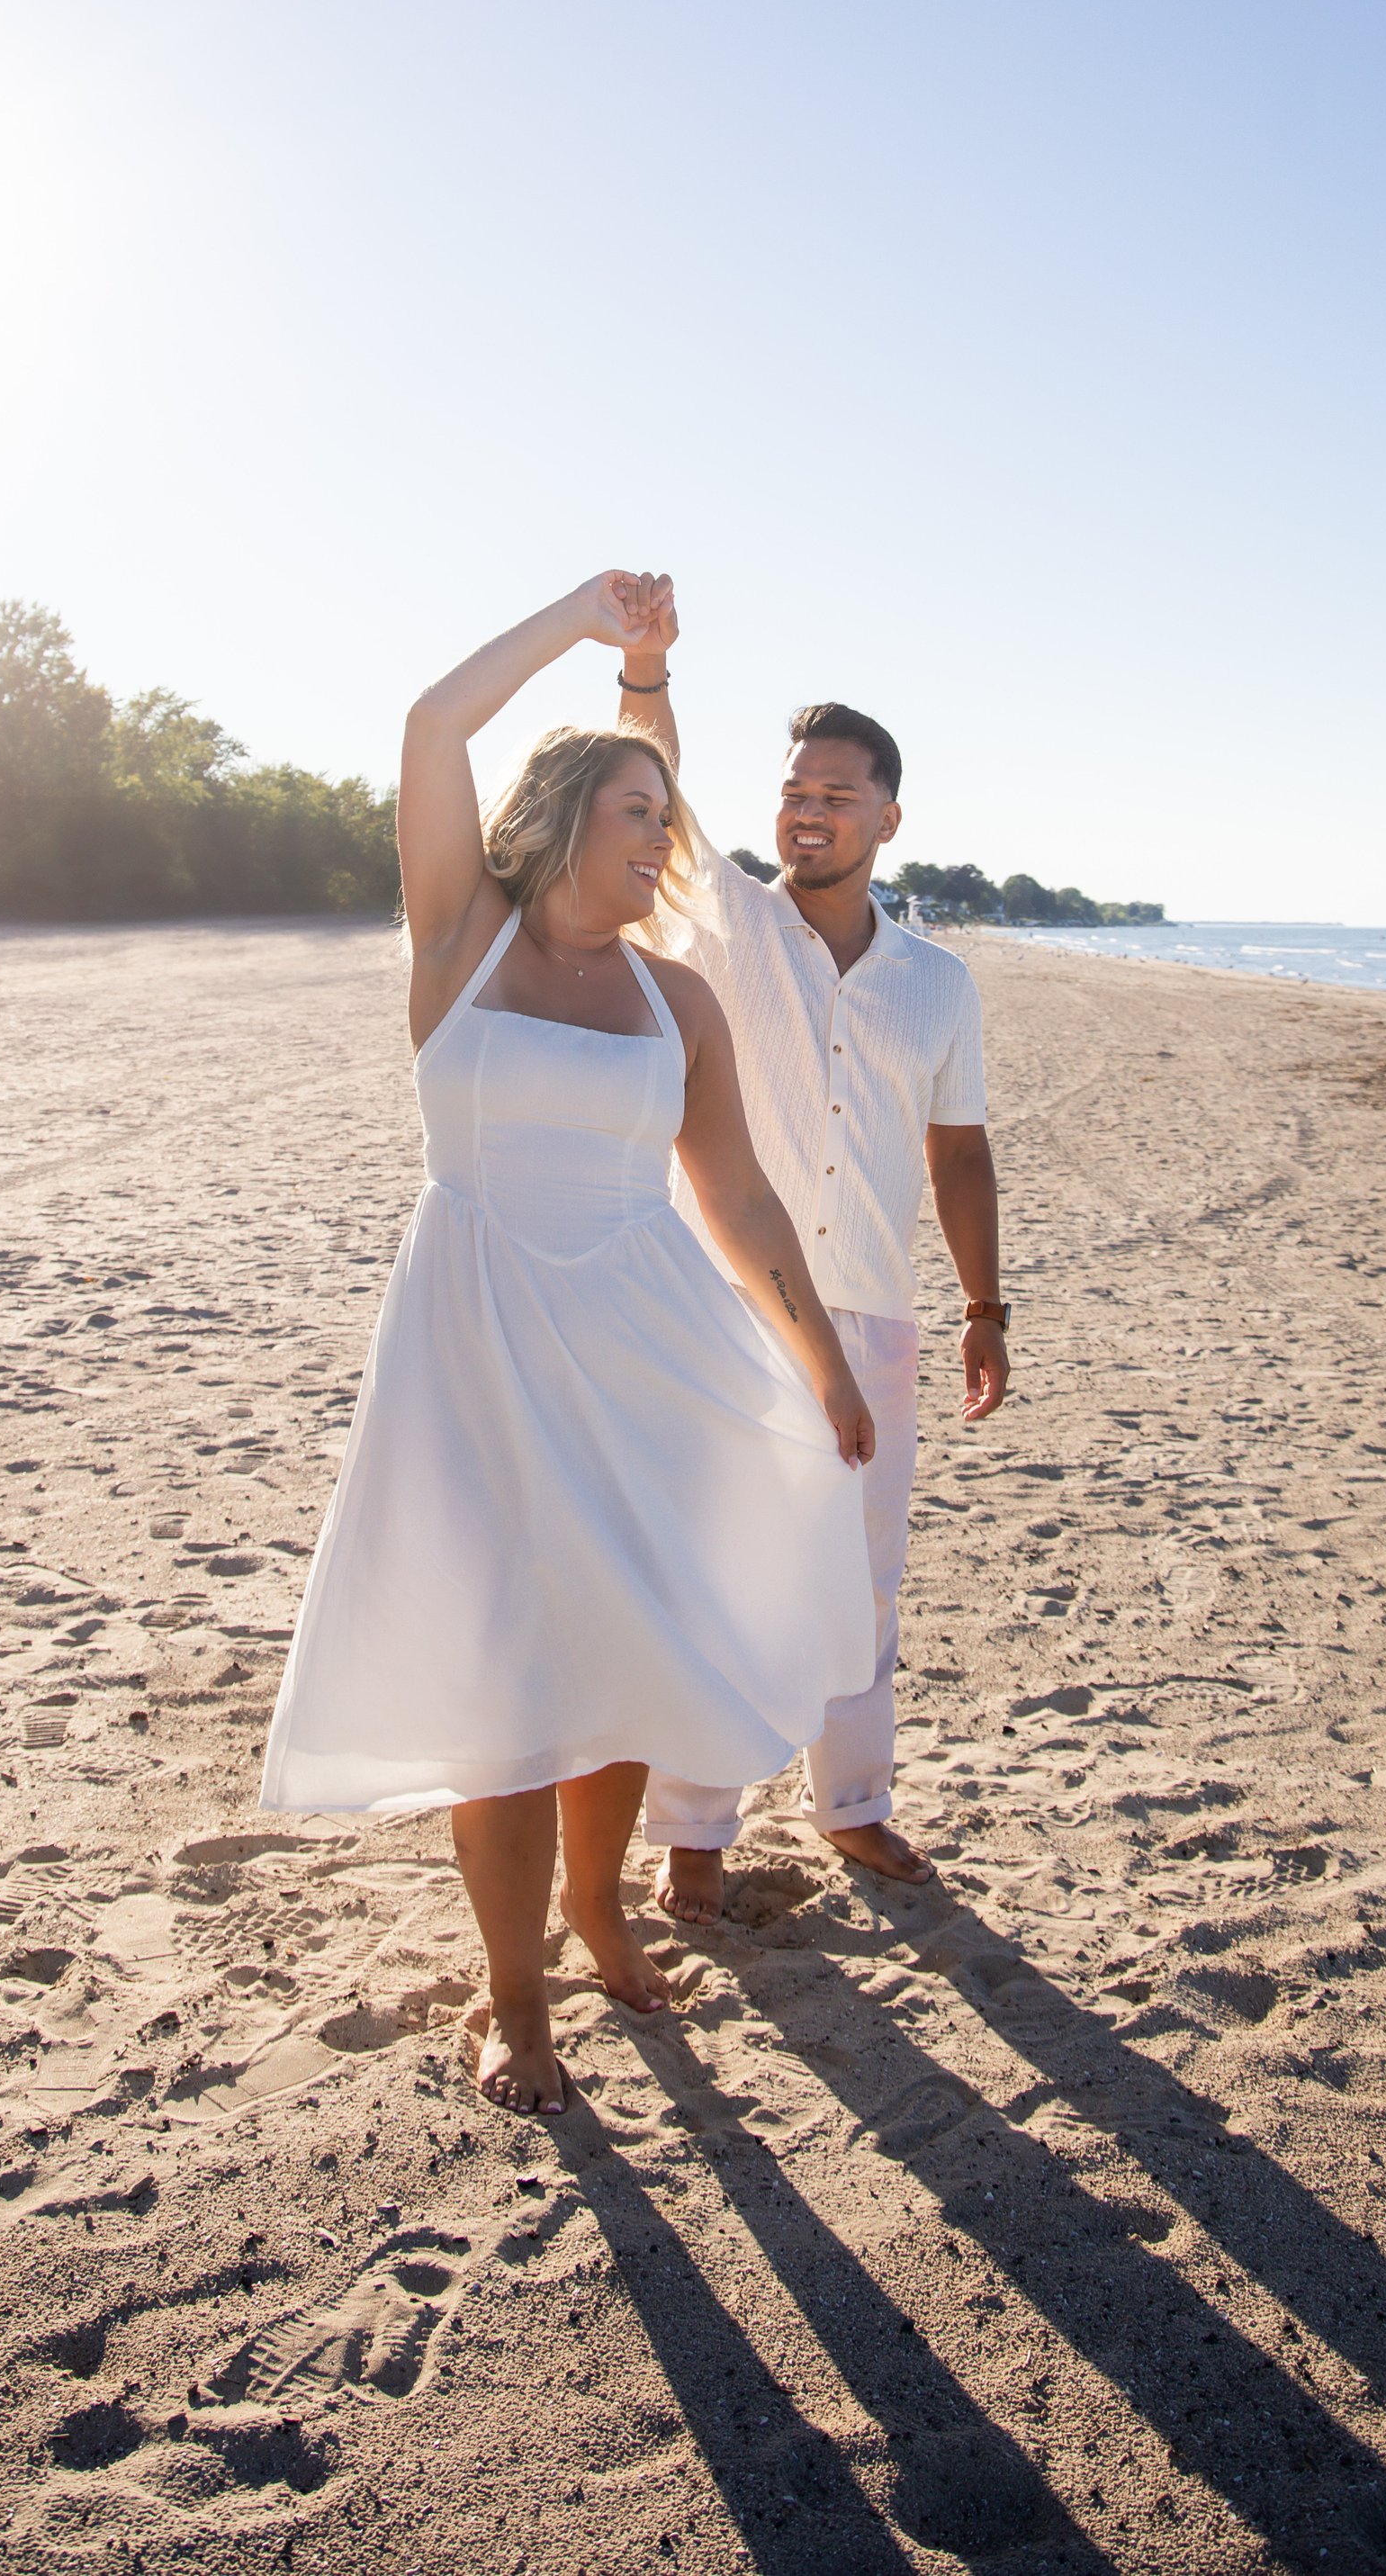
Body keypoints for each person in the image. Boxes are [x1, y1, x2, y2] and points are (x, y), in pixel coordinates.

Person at [257, 574, 877, 2116]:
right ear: (560, 814)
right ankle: (512, 1990)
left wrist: (824, 1362)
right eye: (635, 805)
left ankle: (598, 1907)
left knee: (620, 1648)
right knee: (502, 1674)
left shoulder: (678, 1002)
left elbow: (733, 1194)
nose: (662, 834)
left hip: (640, 1350)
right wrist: (590, 627)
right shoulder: (459, 934)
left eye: (670, 813)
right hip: (470, 1347)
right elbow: (429, 719)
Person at [610, 578, 1009, 1918]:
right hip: (726, 1310)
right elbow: (650, 786)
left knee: (863, 1583)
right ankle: (695, 1835)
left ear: (890, 816)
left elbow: (960, 1152)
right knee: (714, 1566)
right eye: (794, 789)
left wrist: (986, 1307)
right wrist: (650, 667)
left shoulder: (938, 982)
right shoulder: (722, 916)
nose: (808, 809)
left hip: (877, 1320)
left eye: (837, 793)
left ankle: (853, 1808)